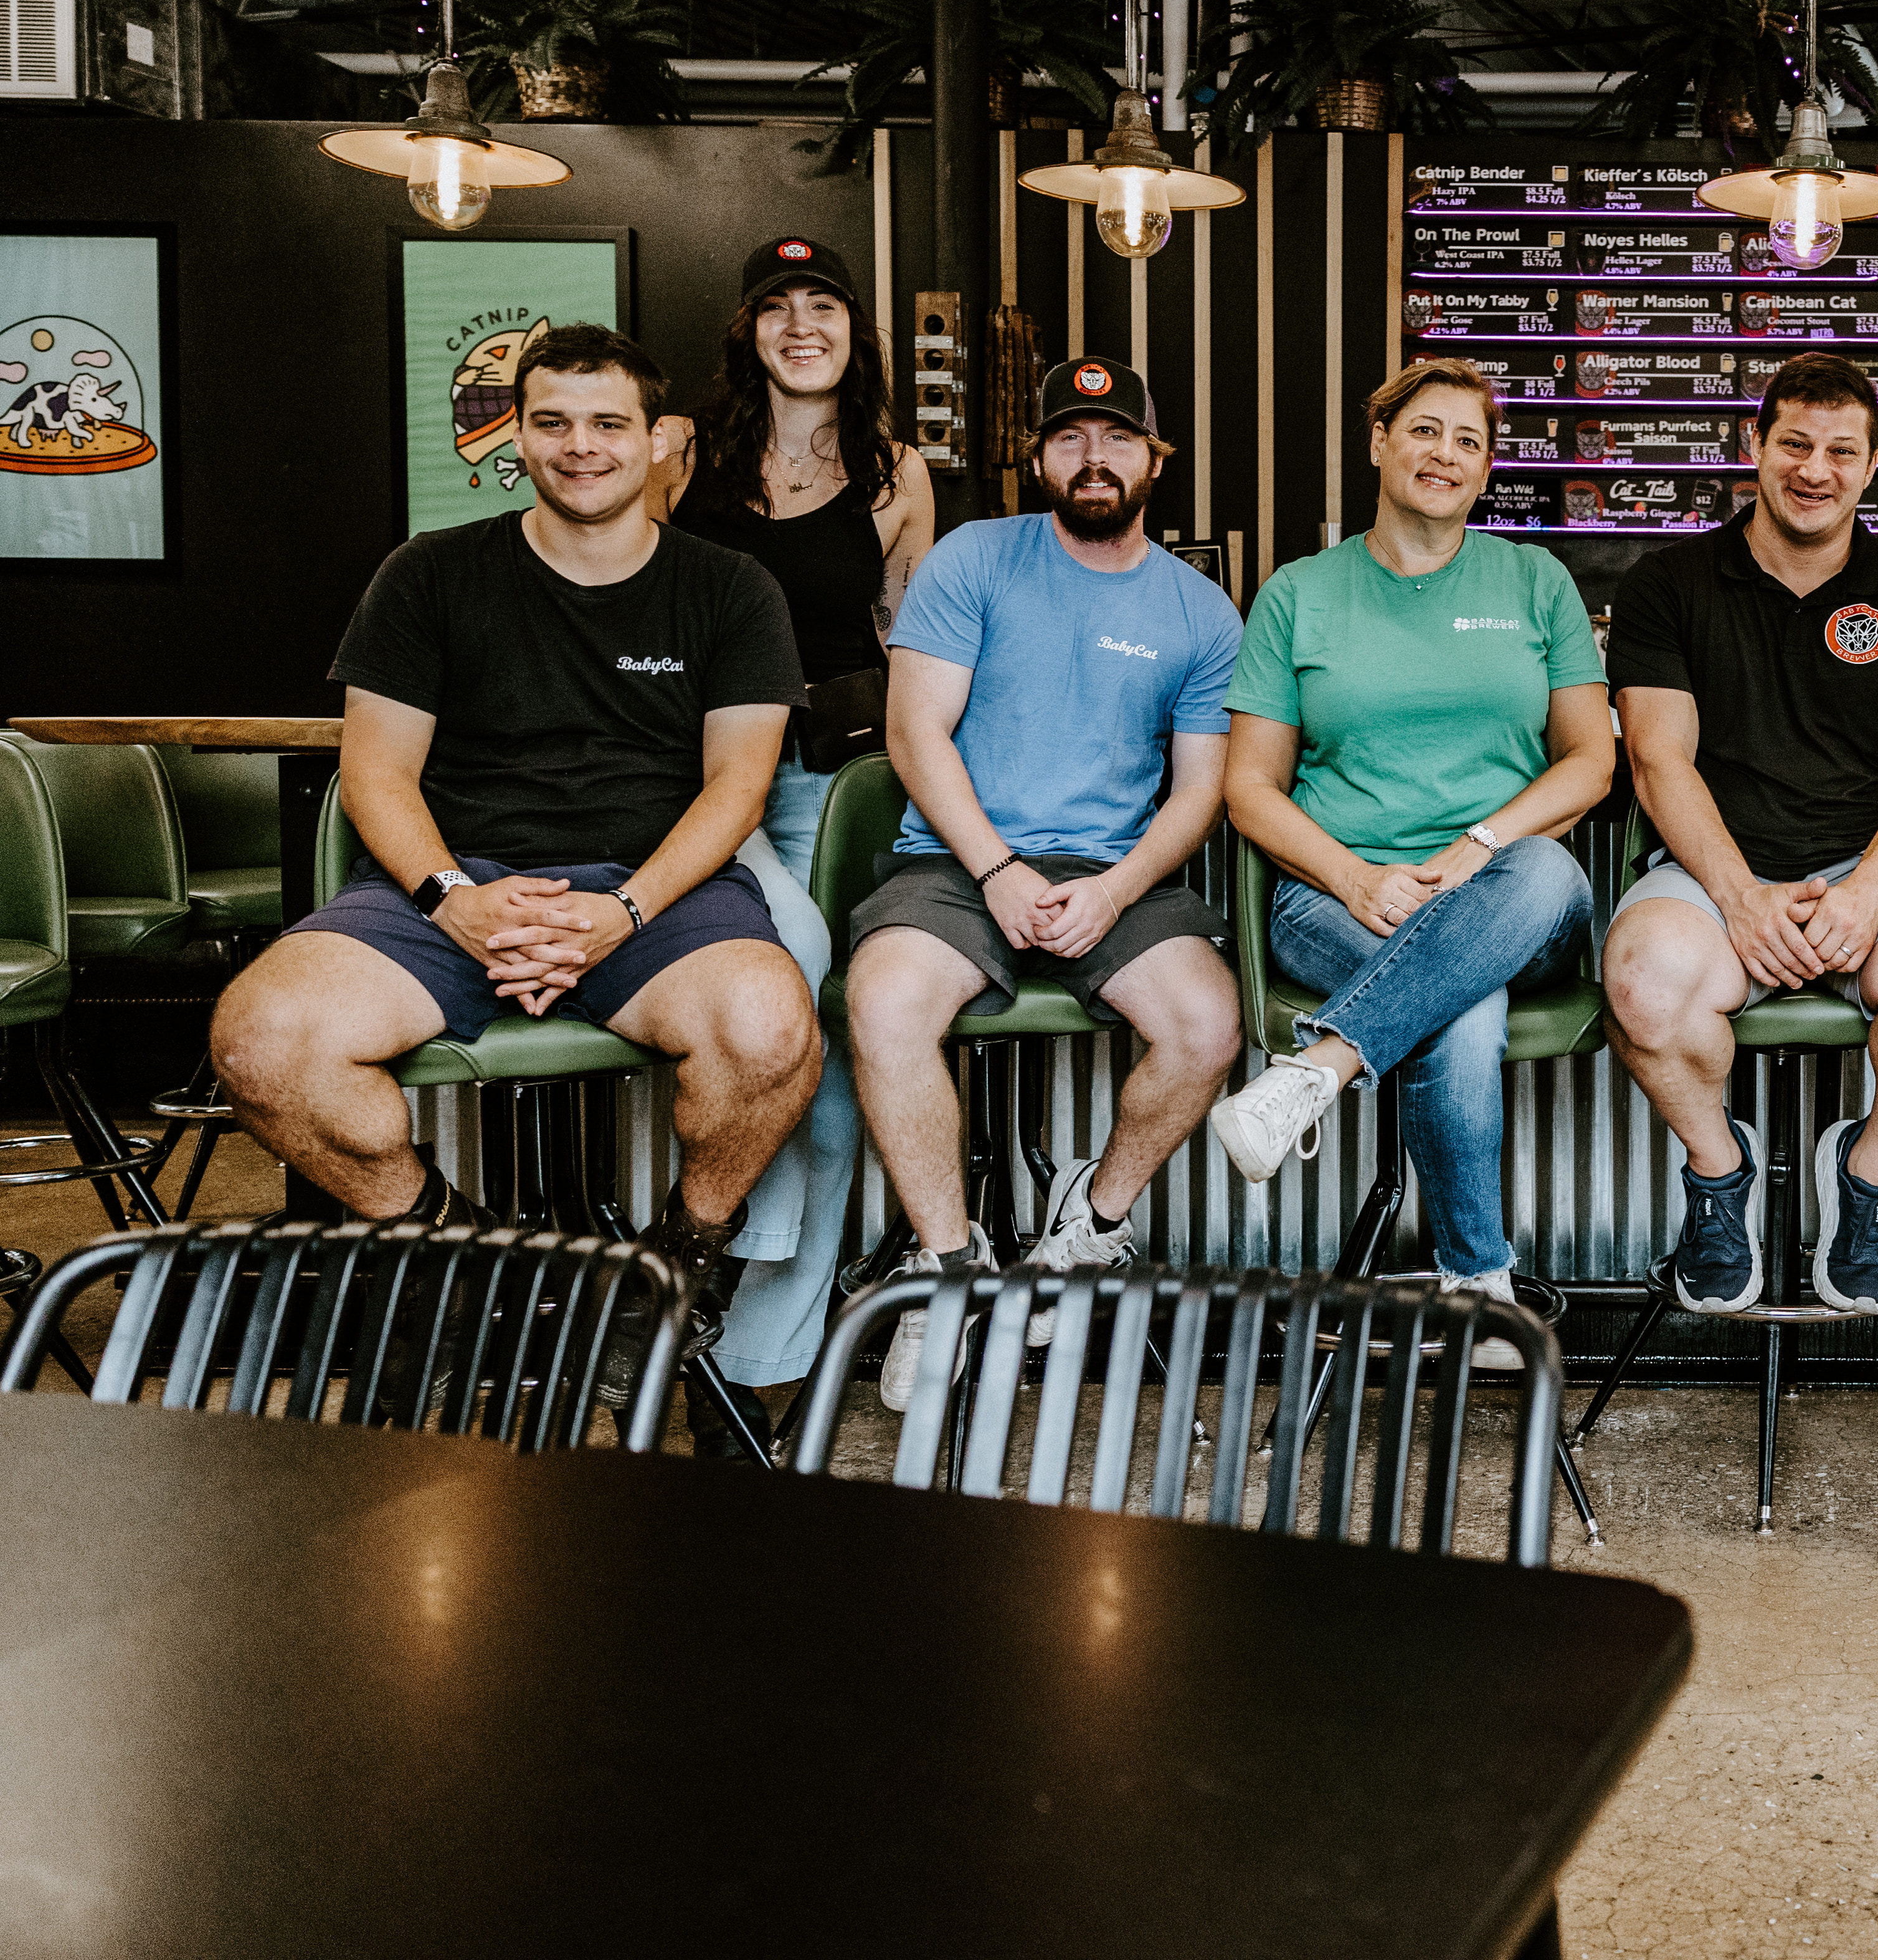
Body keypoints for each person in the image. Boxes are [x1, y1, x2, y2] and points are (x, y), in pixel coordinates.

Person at [211, 323, 817, 1314]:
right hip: (457, 883)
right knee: (260, 1044)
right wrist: (456, 901)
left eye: (609, 423)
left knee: (772, 1034)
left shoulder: (729, 588)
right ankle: (474, 1260)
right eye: (553, 422)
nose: (582, 444)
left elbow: (735, 789)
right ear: (519, 437)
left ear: (659, 437)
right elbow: (375, 776)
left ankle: (672, 1270)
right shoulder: (427, 574)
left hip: (653, 894)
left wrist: (617, 913)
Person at [840, 356, 1245, 1408]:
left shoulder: (1201, 611)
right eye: (1070, 436)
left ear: (1157, 458)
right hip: (959, 855)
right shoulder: (976, 557)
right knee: (881, 1005)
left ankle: (1088, 1230)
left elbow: (1200, 793)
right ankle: (946, 1269)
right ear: (1039, 455)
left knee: (1206, 1026)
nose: (1094, 457)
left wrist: (1112, 892)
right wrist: (999, 867)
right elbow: (913, 731)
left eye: (1117, 437)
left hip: (1116, 873)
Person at [1211, 357, 1617, 1340]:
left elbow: (1592, 762)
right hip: (1335, 899)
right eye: (1426, 431)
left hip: (1515, 889)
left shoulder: (1536, 582)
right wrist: (1352, 876)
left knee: (1550, 866)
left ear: (1486, 474)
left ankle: (1320, 1070)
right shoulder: (1300, 595)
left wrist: (1481, 844)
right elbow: (1248, 789)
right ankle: (1479, 1284)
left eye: (1469, 442)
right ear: (1380, 442)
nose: (1446, 455)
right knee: (1460, 1012)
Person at [1601, 350, 1878, 1317]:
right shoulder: (1669, 585)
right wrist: (1741, 899)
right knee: (1643, 978)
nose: (1814, 470)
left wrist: (1864, 893)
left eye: (1840, 450)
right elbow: (1661, 761)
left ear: (1874, 463)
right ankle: (1718, 1175)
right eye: (1794, 444)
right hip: (1713, 873)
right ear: (1756, 446)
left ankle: (1867, 1182)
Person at [648, 235, 935, 1399]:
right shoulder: (683, 458)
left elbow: (908, 645)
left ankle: (773, 1324)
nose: (802, 324)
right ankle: (751, 1250)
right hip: (702, 770)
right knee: (789, 966)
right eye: (779, 307)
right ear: (748, 332)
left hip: (832, 770)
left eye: (825, 305)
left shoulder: (894, 473)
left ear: (854, 334)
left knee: (825, 1017)